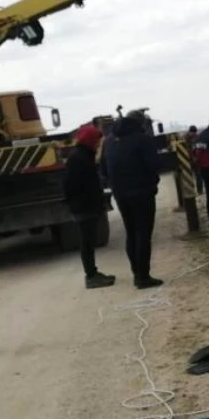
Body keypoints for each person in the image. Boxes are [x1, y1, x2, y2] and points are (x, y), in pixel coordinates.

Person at [104, 111, 163, 289]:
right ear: (140, 122)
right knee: (143, 234)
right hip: (142, 192)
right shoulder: (142, 139)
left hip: (121, 194)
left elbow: (103, 169)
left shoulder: (109, 141)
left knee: (131, 233)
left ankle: (137, 273)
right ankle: (143, 277)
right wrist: (153, 183)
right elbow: (153, 165)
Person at [64, 125, 115, 289]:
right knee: (87, 242)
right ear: (89, 140)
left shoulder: (81, 156)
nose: (98, 143)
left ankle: (93, 273)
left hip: (83, 205)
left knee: (89, 242)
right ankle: (91, 276)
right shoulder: (80, 159)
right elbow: (78, 186)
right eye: (96, 140)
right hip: (83, 207)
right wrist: (93, 202)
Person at [184, 125, 204, 196]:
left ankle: (200, 191)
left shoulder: (197, 137)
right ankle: (190, 192)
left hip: (196, 161)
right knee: (188, 177)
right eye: (193, 133)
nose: (194, 135)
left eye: (195, 133)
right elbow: (187, 150)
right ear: (190, 132)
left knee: (199, 176)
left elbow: (199, 148)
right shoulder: (185, 139)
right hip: (188, 160)